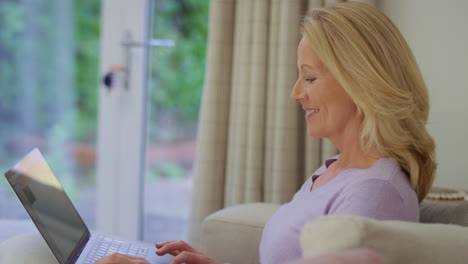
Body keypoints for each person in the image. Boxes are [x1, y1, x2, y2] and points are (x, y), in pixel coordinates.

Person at [96, 2, 436, 264]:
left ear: (362, 82)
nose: (296, 93)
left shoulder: (374, 194)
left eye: (310, 77)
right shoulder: (337, 170)